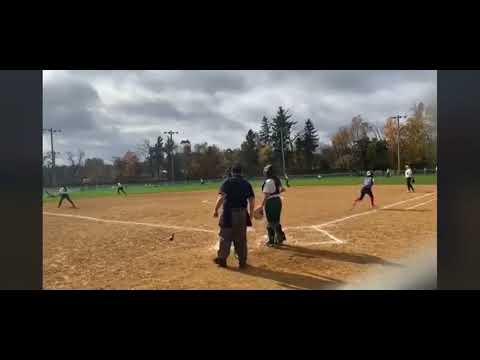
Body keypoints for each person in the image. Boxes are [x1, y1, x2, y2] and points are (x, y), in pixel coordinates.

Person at [213, 164, 255, 269]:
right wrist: (251, 213)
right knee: (241, 238)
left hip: (228, 213)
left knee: (225, 236)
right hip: (242, 214)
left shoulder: (228, 182)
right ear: (241, 173)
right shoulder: (246, 183)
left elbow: (222, 197)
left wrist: (216, 209)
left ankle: (222, 259)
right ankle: (242, 261)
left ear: (232, 172)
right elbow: (251, 200)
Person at [256, 164, 287, 247]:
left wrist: (261, 206)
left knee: (270, 222)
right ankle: (280, 238)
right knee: (276, 220)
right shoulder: (277, 180)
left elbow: (266, 195)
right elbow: (282, 189)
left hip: (271, 202)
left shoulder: (269, 181)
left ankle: (272, 240)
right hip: (277, 201)